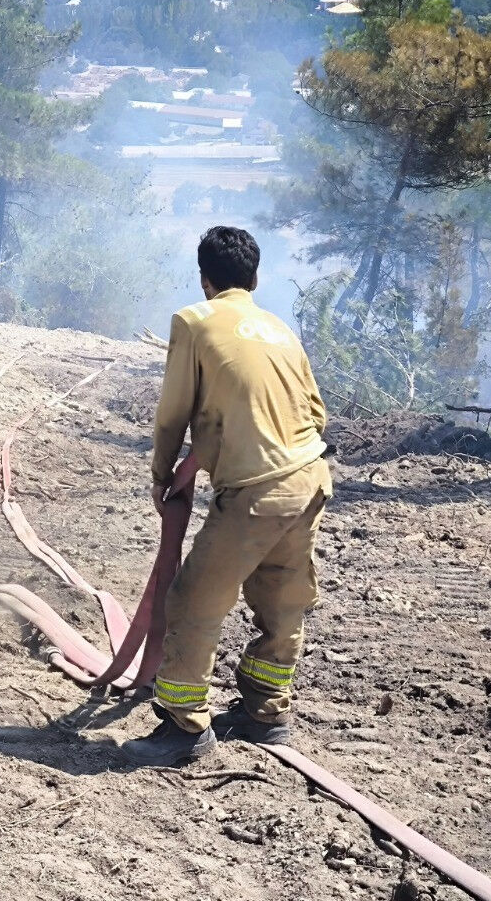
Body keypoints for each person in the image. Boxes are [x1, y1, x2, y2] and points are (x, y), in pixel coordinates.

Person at [125, 226, 333, 765]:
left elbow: (175, 410)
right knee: (282, 598)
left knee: (194, 601)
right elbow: (313, 413)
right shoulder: (280, 329)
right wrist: (206, 458)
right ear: (256, 277)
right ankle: (267, 712)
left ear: (204, 278)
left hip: (258, 491)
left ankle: (184, 728)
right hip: (310, 477)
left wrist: (162, 471)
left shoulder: (194, 321)